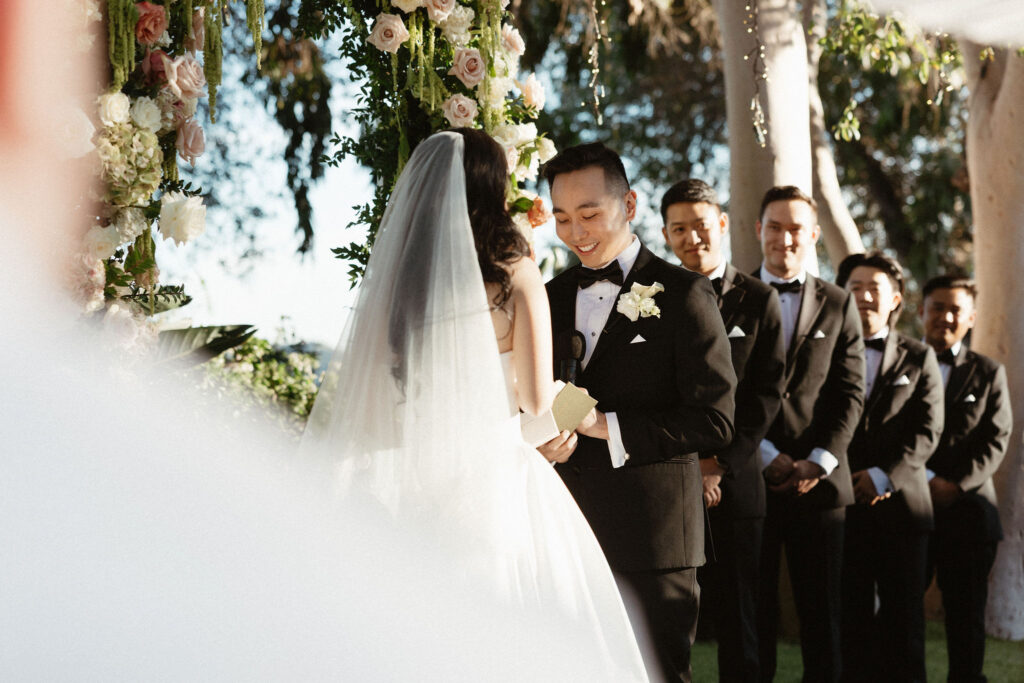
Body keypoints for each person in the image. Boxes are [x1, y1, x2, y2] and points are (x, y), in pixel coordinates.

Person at [301, 130, 649, 681]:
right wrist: (580, 408)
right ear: (493, 184)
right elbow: (537, 401)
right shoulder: (515, 272)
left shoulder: (401, 283)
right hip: (492, 483)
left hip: (409, 475)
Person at [539, 143, 737, 683]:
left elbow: (714, 420)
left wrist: (602, 426)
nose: (575, 232)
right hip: (564, 526)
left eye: (589, 214)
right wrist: (540, 442)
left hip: (655, 537)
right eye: (560, 218)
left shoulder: (687, 294)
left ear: (628, 203)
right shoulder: (546, 298)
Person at [661, 179, 785, 682]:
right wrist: (689, 464)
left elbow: (765, 396)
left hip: (736, 488)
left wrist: (719, 465)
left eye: (701, 225)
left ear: (723, 224)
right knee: (671, 620)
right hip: (669, 481)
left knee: (741, 618)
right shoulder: (653, 295)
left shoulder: (759, 299)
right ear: (666, 235)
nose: (692, 237)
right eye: (679, 229)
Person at [752, 186, 864, 683]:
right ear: (758, 230)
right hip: (748, 478)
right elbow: (718, 388)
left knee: (823, 616)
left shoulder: (840, 303)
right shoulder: (729, 294)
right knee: (754, 616)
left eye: (796, 227)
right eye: (775, 226)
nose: (785, 237)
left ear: (814, 235)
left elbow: (850, 392)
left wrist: (818, 460)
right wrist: (762, 454)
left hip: (819, 485)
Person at [835, 252, 944, 683]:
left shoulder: (919, 357)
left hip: (903, 509)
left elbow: (928, 429)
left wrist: (883, 475)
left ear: (896, 299)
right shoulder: (826, 352)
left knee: (905, 624)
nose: (863, 297)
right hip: (842, 503)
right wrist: (845, 476)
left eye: (873, 289)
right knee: (849, 616)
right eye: (854, 288)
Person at [920, 275, 1012, 683]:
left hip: (970, 514)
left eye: (955, 309)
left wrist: (955, 486)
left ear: (970, 317)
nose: (945, 316)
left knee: (966, 618)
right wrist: (921, 481)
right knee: (900, 612)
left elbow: (997, 438)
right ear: (922, 311)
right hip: (909, 509)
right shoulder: (900, 361)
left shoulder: (989, 372)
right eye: (937, 307)